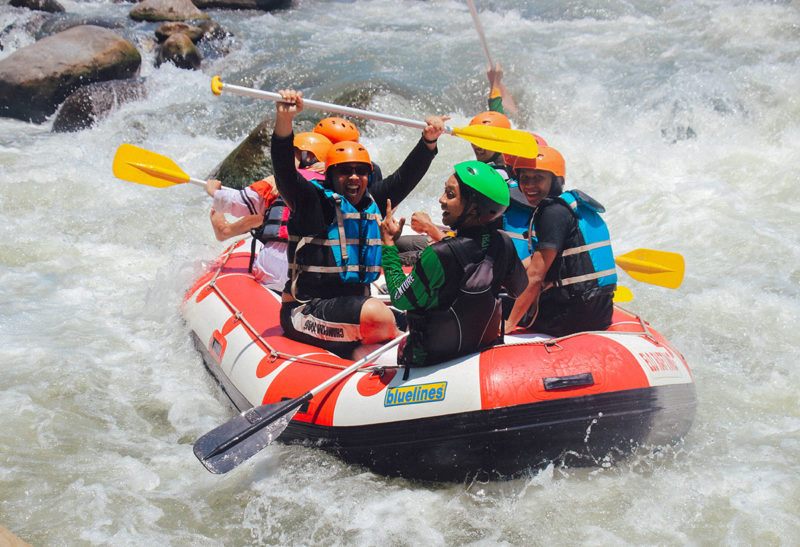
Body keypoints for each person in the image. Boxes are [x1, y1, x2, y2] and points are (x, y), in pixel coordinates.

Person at [271, 88, 447, 356]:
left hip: (355, 306)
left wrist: (428, 142)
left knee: (431, 319)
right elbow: (284, 170)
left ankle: (372, 349)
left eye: (361, 171)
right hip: (307, 310)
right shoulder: (311, 203)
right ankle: (398, 346)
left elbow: (405, 177)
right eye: (344, 171)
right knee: (377, 314)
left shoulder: (371, 202)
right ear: (330, 175)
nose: (354, 177)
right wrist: (285, 121)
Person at [380, 161, 527, 366]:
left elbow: (399, 298)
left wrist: (388, 243)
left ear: (474, 209)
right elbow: (519, 288)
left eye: (450, 195)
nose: (441, 200)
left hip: (432, 359)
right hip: (481, 348)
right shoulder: (503, 241)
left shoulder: (438, 254)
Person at [503, 145, 617, 336]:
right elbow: (547, 259)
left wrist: (508, 325)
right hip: (601, 311)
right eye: (525, 178)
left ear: (556, 180)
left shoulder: (551, 212)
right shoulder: (574, 206)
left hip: (572, 317)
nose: (529, 185)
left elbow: (536, 277)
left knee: (497, 304)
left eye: (538, 177)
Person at [205, 131, 332, 291]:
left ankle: (225, 230)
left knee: (267, 205)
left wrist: (214, 192)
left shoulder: (278, 180)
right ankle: (226, 230)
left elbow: (239, 201)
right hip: (317, 272)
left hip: (272, 266)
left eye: (292, 152)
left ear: (306, 157)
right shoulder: (339, 186)